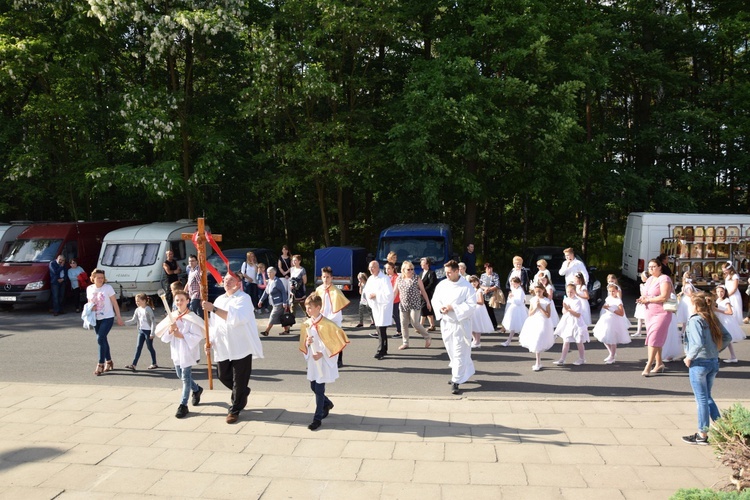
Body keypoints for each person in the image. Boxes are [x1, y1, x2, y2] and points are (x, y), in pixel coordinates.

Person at [202, 273, 264, 424]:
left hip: (241, 346)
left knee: (239, 378)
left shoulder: (244, 298)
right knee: (223, 375)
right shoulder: (219, 299)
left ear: (238, 283)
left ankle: (234, 409)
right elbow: (214, 325)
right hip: (223, 345)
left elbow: (237, 318)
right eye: (225, 280)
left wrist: (214, 309)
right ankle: (242, 392)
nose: (226, 282)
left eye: (230, 280)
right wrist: (209, 341)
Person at [682, 292, 731, 445]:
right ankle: (724, 429)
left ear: (696, 305)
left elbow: (696, 343)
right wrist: (715, 350)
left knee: (701, 399)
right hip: (713, 361)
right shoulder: (711, 318)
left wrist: (689, 357)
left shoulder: (696, 320)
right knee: (707, 397)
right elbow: (727, 337)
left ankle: (702, 434)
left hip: (699, 363)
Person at [299, 293, 349, 430]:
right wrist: (307, 343)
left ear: (318, 308)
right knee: (313, 387)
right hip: (312, 361)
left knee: (319, 389)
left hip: (323, 361)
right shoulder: (307, 324)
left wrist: (323, 353)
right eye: (306, 308)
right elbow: (303, 343)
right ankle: (327, 404)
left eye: (310, 308)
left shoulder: (328, 324)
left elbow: (336, 343)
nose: (307, 311)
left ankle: (317, 418)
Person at [156, 290, 204, 419]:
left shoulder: (192, 317)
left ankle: (183, 405)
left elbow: (198, 335)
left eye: (182, 300)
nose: (179, 302)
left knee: (185, 378)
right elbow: (165, 338)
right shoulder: (171, 316)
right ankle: (197, 389)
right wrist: (170, 331)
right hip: (176, 351)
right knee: (180, 375)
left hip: (187, 351)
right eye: (177, 300)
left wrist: (182, 335)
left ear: (188, 301)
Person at [431, 260, 476, 395]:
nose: (447, 275)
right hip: (447, 324)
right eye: (446, 273)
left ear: (457, 271)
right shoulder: (442, 285)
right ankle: (463, 372)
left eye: (450, 272)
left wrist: (453, 308)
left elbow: (471, 305)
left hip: (460, 325)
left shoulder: (466, 287)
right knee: (451, 351)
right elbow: (435, 300)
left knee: (459, 352)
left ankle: (456, 380)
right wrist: (441, 308)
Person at [636, 259, 672, 376]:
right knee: (655, 338)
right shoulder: (650, 279)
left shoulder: (664, 279)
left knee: (653, 338)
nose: (651, 269)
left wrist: (648, 299)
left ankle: (648, 365)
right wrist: (642, 299)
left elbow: (664, 297)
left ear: (660, 267)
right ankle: (659, 363)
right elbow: (646, 295)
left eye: (654, 266)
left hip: (661, 312)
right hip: (649, 312)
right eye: (649, 267)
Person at [87, 269, 124, 375]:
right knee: (103, 340)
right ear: (93, 278)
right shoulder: (89, 289)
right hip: (95, 318)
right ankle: (109, 361)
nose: (100, 279)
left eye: (102, 277)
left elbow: (115, 303)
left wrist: (119, 317)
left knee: (100, 338)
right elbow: (89, 302)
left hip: (108, 317)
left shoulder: (108, 288)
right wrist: (90, 308)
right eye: (98, 277)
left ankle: (100, 364)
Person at [316, 266, 351, 367]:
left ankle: (339, 359)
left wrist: (333, 316)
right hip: (323, 317)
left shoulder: (336, 290)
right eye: (323, 277)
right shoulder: (319, 289)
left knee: (337, 338)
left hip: (334, 318)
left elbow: (340, 302)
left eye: (327, 277)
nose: (325, 279)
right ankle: (323, 358)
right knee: (321, 338)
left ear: (331, 278)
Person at [394, 260, 432, 350]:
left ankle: (427, 337)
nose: (411, 271)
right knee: (403, 323)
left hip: (415, 304)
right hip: (403, 304)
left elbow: (423, 291)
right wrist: (389, 302)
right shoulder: (399, 279)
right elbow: (395, 291)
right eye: (408, 269)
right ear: (403, 270)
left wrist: (427, 302)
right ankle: (405, 342)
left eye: (412, 269)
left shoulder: (416, 278)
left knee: (415, 322)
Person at [519, 283, 555, 371]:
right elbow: (530, 313)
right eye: (536, 292)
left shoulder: (547, 301)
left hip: (543, 321)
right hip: (534, 321)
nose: (538, 293)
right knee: (535, 340)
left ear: (543, 291)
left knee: (539, 338)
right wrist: (536, 308)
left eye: (539, 291)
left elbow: (548, 315)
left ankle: (538, 362)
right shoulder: (532, 300)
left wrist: (540, 308)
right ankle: (538, 362)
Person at [592, 284, 631, 364]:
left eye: (613, 291)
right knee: (603, 337)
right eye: (610, 291)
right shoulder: (608, 298)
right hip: (606, 319)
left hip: (614, 320)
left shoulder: (618, 301)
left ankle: (612, 356)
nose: (612, 293)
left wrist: (611, 309)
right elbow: (606, 306)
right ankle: (611, 353)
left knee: (612, 339)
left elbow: (621, 313)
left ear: (617, 291)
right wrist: (606, 308)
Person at [363, 261, 394, 360]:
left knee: (381, 329)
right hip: (375, 306)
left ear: (377, 267)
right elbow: (367, 291)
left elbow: (389, 294)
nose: (371, 269)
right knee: (379, 329)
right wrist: (370, 297)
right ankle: (384, 349)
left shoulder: (384, 278)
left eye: (373, 267)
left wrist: (376, 295)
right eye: (370, 268)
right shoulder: (370, 279)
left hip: (383, 307)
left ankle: (380, 350)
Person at [554, 283, 589, 366]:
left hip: (576, 323)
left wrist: (568, 309)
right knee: (566, 341)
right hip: (568, 322)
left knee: (579, 341)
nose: (569, 294)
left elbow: (577, 314)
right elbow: (564, 312)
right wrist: (565, 309)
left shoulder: (577, 301)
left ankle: (582, 358)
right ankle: (562, 359)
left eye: (571, 292)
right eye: (568, 292)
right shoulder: (566, 299)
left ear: (575, 292)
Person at [124, 293, 158, 371]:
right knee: (138, 347)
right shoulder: (137, 310)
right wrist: (125, 323)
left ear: (144, 301)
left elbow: (153, 321)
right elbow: (134, 320)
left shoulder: (148, 309)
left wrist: (152, 333)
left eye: (138, 301)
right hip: (141, 331)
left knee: (150, 347)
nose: (137, 303)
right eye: (136, 301)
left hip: (148, 331)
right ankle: (134, 364)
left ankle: (154, 363)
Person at [714, 285, 743, 364]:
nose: (720, 293)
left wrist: (718, 310)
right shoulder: (718, 300)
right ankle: (732, 356)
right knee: (724, 339)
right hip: (720, 320)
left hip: (726, 321)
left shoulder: (726, 300)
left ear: (725, 292)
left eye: (722, 291)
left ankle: (716, 354)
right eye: (718, 292)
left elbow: (730, 312)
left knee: (724, 338)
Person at [258, 267, 290, 336]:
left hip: (279, 303)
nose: (268, 274)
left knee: (272, 316)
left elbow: (283, 291)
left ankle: (266, 331)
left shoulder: (277, 281)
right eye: (267, 272)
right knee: (281, 317)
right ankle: (286, 330)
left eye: (270, 272)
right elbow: (266, 292)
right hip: (274, 303)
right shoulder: (270, 281)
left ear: (274, 273)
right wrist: (261, 300)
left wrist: (284, 302)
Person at [467, 276, 493, 349]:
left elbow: (481, 302)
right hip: (473, 309)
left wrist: (473, 301)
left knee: (477, 325)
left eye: (475, 282)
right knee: (472, 325)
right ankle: (474, 339)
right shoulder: (471, 290)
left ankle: (477, 341)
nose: (473, 283)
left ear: (478, 282)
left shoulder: (479, 291)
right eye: (471, 282)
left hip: (478, 309)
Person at [501, 277, 527, 346]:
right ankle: (509, 341)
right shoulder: (514, 289)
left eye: (515, 283)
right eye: (512, 284)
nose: (513, 285)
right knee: (514, 326)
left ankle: (509, 341)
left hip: (518, 309)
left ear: (518, 283)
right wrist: (510, 297)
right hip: (514, 308)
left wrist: (512, 297)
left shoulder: (520, 291)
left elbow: (519, 301)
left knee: (518, 325)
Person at [479, 262, 501, 331]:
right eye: (488, 268)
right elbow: (479, 284)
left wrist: (489, 289)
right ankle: (485, 324)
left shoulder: (495, 275)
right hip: (484, 294)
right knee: (484, 310)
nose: (490, 270)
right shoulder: (483, 275)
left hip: (492, 295)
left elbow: (497, 285)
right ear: (485, 269)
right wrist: (484, 288)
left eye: (491, 268)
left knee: (490, 310)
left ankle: (494, 324)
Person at [419, 257, 438, 331]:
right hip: (421, 294)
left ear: (427, 264)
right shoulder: (421, 273)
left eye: (423, 263)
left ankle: (420, 326)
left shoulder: (431, 273)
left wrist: (424, 290)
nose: (421, 264)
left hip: (428, 294)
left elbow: (432, 284)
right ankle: (432, 325)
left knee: (423, 308)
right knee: (428, 309)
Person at [385, 263, 403, 339]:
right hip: (388, 299)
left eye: (389, 268)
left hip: (395, 299)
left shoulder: (396, 277)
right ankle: (380, 330)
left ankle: (399, 331)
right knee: (390, 315)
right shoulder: (386, 277)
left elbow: (395, 289)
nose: (387, 270)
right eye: (386, 268)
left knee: (395, 315)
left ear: (393, 269)